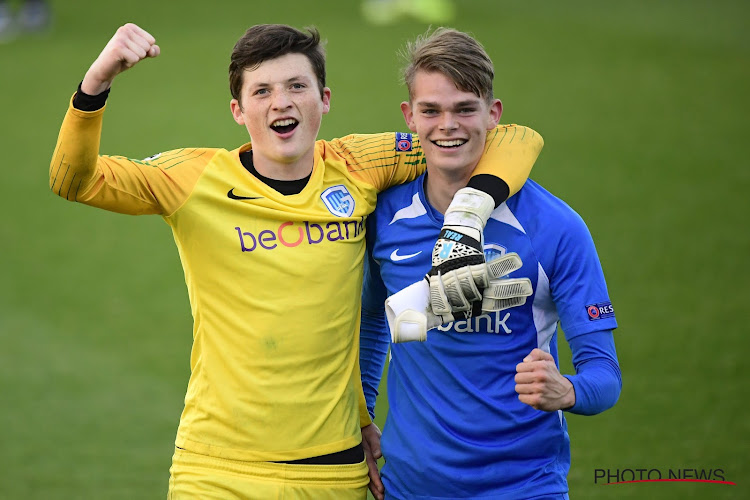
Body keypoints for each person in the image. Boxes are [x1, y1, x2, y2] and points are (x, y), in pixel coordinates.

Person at [49, 23, 543, 498]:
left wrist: (468, 213)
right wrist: (98, 81)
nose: (280, 101)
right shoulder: (193, 178)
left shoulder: (358, 165)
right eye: (261, 91)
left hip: (335, 473)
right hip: (217, 470)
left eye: (296, 86)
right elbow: (74, 180)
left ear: (324, 100)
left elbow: (508, 137)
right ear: (238, 110)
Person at [360, 28, 622, 500]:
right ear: (409, 117)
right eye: (431, 110)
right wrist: (361, 419)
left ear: (493, 114)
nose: (448, 126)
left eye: (465, 108)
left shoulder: (556, 227)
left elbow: (605, 376)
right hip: (408, 487)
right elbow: (372, 323)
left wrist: (568, 391)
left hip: (524, 486)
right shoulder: (384, 215)